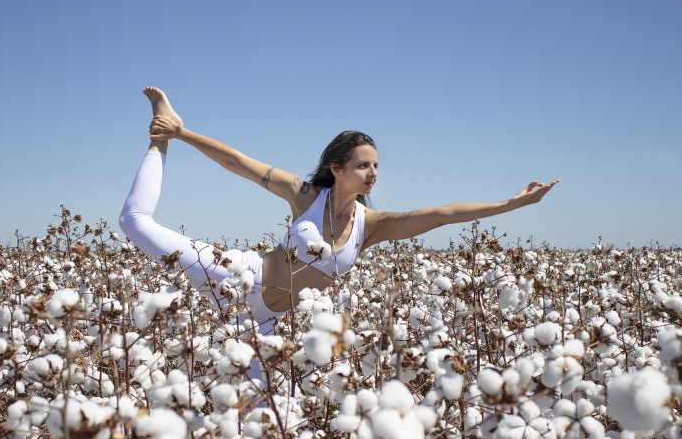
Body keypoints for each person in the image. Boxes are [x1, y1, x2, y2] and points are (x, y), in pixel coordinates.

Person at [120, 87, 559, 333]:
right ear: (338, 168)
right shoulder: (305, 195)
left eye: (376, 167)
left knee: (259, 431)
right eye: (363, 166)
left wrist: (509, 204)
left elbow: (442, 214)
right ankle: (160, 136)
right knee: (133, 223)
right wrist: (180, 133)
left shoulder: (371, 226)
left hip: (265, 324)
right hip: (233, 275)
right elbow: (237, 161)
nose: (372, 174)